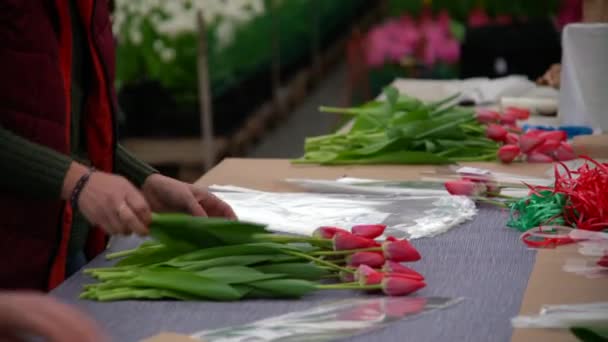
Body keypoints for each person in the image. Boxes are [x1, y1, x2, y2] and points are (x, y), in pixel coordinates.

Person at [0, 0, 235, 335]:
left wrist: (145, 180)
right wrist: (76, 181)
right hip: (15, 275)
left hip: (67, 250)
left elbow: (65, 123)